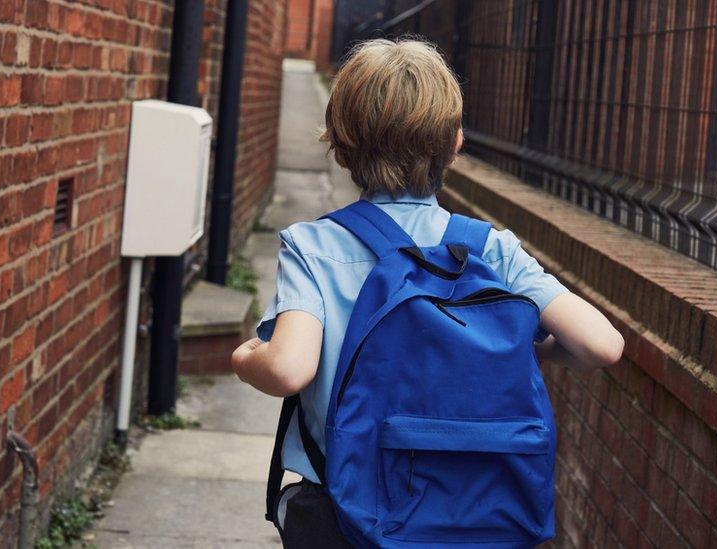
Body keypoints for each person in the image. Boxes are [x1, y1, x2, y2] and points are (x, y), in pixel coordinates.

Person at [231, 38, 624, 546]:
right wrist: (532, 349)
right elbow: (602, 345)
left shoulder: (315, 246)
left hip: (347, 516)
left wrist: (245, 357)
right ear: (455, 143)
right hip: (473, 515)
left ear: (338, 142)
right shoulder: (492, 250)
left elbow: (288, 368)